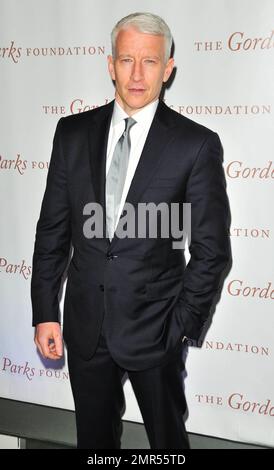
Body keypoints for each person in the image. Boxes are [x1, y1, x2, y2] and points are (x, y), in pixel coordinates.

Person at [31, 12, 230, 449]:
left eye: (150, 62)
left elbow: (212, 250)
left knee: (168, 445)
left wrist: (179, 325)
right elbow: (52, 232)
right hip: (85, 329)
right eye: (126, 60)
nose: (137, 74)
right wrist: (46, 309)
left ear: (168, 67)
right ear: (110, 65)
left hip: (157, 329)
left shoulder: (194, 144)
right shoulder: (72, 133)